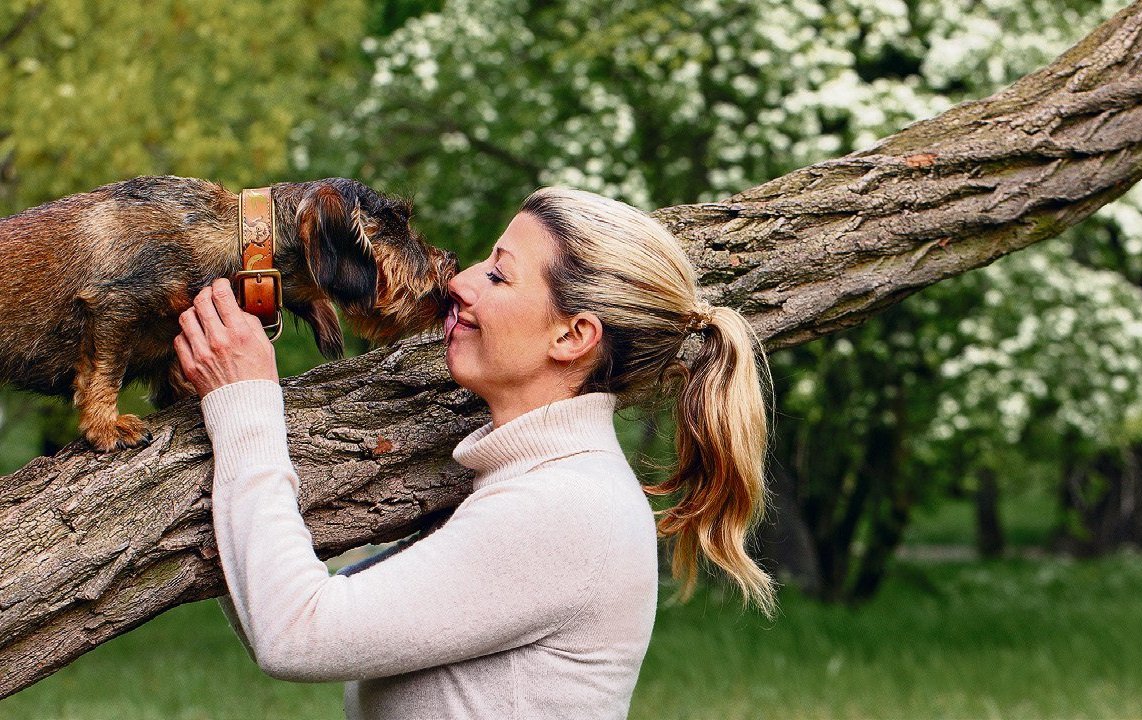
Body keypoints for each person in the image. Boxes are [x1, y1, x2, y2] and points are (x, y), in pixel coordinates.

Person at [175, 186, 775, 720]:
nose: (460, 281)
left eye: (498, 275)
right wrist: (217, 409)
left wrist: (246, 401)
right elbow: (275, 607)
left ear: (572, 336)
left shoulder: (566, 508)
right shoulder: (538, 484)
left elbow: (296, 632)